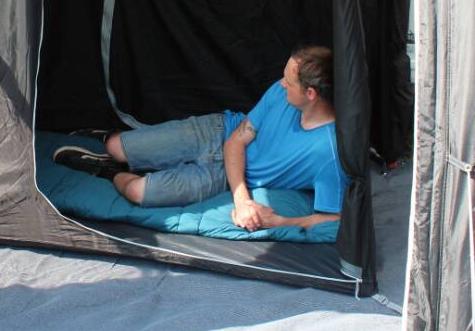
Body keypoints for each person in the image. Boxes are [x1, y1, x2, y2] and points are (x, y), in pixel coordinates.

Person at [53, 46, 348, 232]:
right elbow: (235, 141)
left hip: (221, 175)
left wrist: (282, 223)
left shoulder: (329, 152)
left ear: (310, 94)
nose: (281, 83)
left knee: (137, 193)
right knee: (115, 146)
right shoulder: (279, 93)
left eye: (288, 82)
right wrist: (242, 200)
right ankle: (111, 149)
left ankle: (108, 170)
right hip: (218, 131)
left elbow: (332, 218)